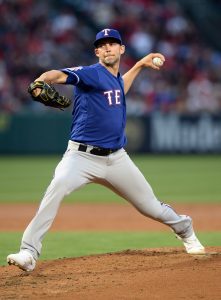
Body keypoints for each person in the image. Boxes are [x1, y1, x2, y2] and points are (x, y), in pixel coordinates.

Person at [7, 29, 205, 272]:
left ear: (121, 49)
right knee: (56, 188)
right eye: (103, 45)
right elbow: (58, 75)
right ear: (97, 52)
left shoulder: (114, 80)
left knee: (151, 207)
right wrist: (41, 81)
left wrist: (141, 64)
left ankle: (185, 229)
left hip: (116, 159)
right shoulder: (90, 74)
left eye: (113, 43)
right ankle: (28, 251)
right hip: (80, 157)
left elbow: (121, 88)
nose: (108, 47)